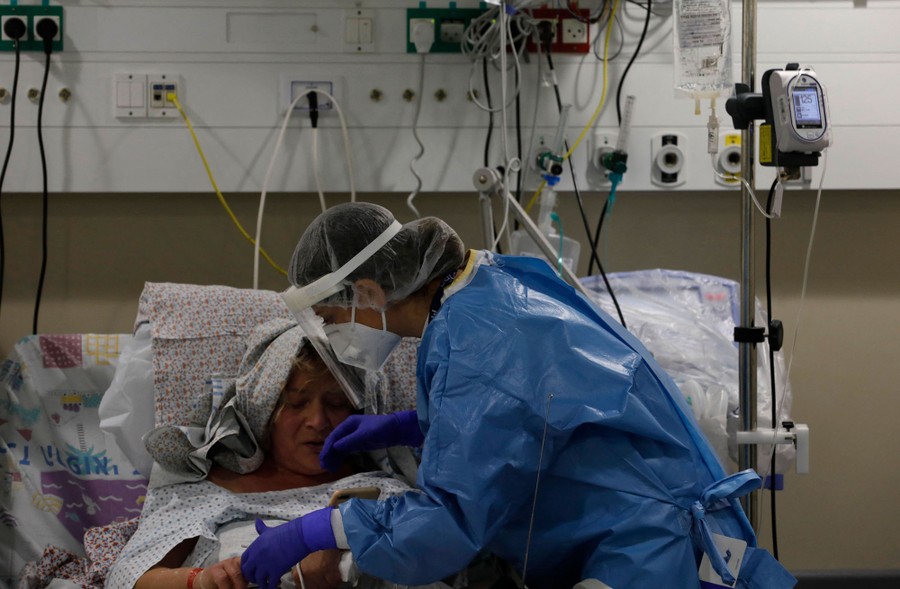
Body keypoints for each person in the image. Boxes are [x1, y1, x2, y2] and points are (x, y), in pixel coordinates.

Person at [240, 202, 797, 589]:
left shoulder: (480, 340)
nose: (335, 336)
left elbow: (451, 520)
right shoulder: (485, 286)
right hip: (645, 521)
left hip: (645, 550)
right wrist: (410, 426)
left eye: (332, 318)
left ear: (368, 291)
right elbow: (526, 412)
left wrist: (317, 530)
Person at [105, 319, 449, 589]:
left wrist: (347, 561)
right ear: (264, 412)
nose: (317, 422)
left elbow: (444, 561)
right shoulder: (207, 486)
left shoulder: (384, 491)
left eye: (335, 403)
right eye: (297, 404)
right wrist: (203, 580)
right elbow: (129, 580)